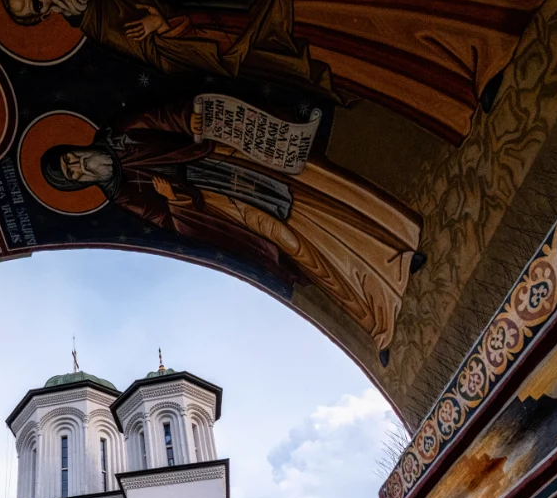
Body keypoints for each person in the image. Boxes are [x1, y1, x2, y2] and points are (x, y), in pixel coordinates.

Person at [0, 0, 557, 144]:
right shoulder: (89, 20)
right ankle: (464, 64)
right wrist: (172, 29)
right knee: (356, 40)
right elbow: (156, 51)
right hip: (236, 23)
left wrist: (169, 12)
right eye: (36, 8)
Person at [39, 94, 421, 357]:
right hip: (220, 196)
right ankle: (372, 310)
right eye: (74, 174)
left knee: (322, 193)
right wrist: (176, 198)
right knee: (292, 241)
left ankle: (394, 247)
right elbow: (165, 220)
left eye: (73, 159)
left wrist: (187, 120)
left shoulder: (118, 134)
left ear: (76, 148)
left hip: (225, 158)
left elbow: (162, 118)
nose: (81, 167)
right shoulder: (118, 191)